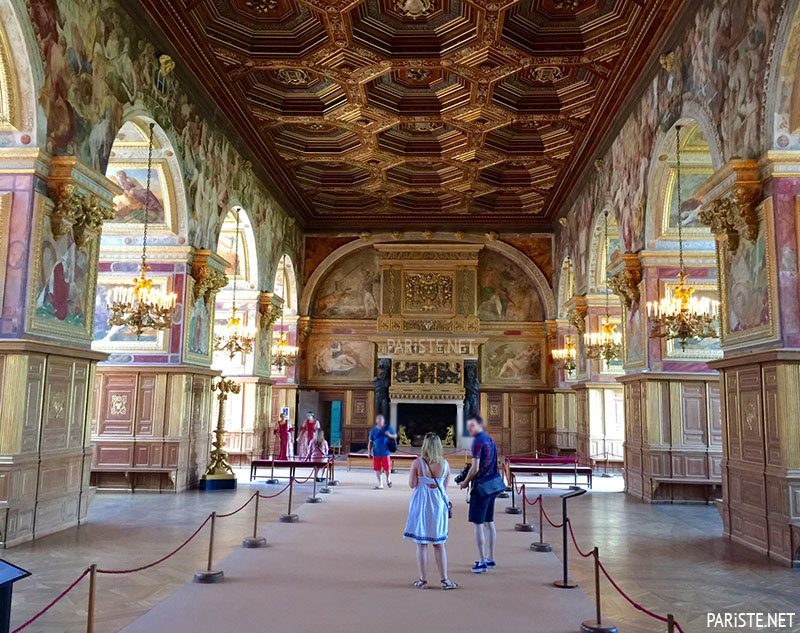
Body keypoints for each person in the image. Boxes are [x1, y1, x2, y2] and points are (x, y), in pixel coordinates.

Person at [403, 433, 458, 590]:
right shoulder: (445, 465)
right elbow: (444, 488)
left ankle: (423, 580)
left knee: (421, 544)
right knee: (439, 544)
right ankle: (445, 580)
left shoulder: (417, 463)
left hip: (421, 503)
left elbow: (412, 484)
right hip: (438, 505)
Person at [459, 415, 499, 573]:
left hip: (481, 487)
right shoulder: (490, 440)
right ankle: (491, 558)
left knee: (478, 524)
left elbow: (475, 468)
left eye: (472, 426)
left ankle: (482, 562)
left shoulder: (477, 442)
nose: (469, 429)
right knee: (490, 523)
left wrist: (465, 482)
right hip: (492, 485)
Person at [368, 414, 396, 489]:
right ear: (377, 421)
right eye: (379, 420)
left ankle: (388, 479)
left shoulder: (388, 428)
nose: (380, 421)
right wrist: (369, 452)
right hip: (376, 453)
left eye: (381, 420)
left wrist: (389, 434)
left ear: (383, 421)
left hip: (386, 452)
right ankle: (380, 484)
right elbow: (370, 441)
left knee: (387, 469)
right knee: (377, 469)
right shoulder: (373, 430)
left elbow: (395, 436)